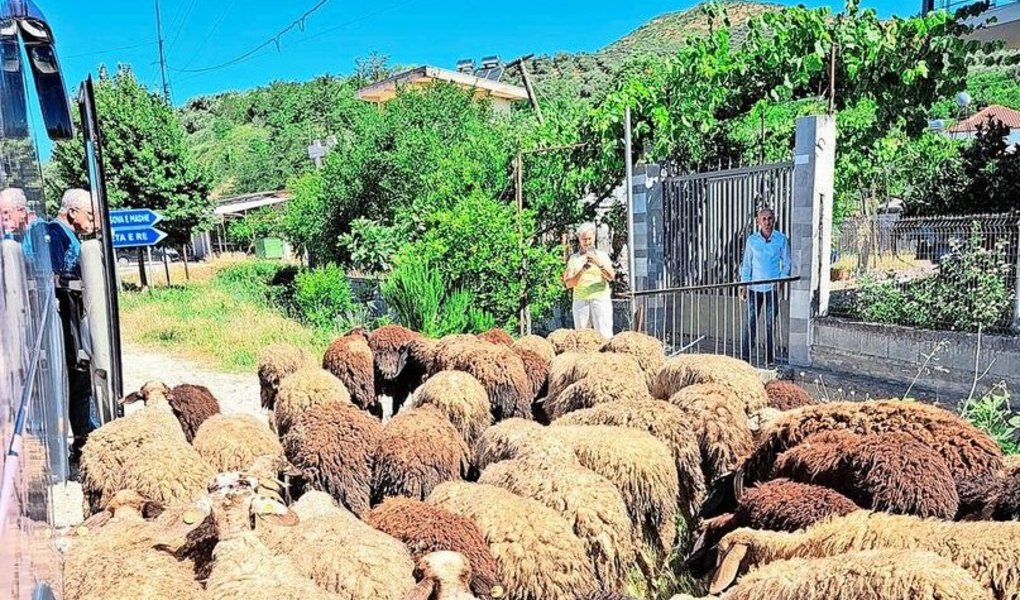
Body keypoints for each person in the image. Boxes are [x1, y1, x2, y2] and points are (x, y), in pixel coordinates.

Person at [49, 188, 101, 463]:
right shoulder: (53, 235)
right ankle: (85, 437)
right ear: (72, 212)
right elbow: (55, 279)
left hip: (75, 319)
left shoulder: (72, 237)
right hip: (66, 322)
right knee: (78, 378)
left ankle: (86, 434)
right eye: (90, 215)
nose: (94, 222)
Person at [738, 207, 791, 365]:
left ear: (774, 220)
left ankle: (769, 359)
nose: (767, 222)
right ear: (758, 222)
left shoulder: (781, 239)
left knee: (769, 324)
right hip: (754, 289)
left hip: (771, 290)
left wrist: (780, 281)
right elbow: (747, 265)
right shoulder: (752, 240)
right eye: (764, 219)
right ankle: (745, 359)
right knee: (750, 323)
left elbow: (787, 263)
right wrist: (744, 285)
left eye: (770, 219)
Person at [562, 222, 615, 340]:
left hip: (600, 299)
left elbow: (611, 277)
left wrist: (597, 262)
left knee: (604, 335)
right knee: (582, 337)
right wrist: (582, 270)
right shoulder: (574, 259)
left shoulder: (602, 256)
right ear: (579, 240)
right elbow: (569, 283)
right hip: (581, 301)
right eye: (584, 239)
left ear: (594, 238)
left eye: (589, 239)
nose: (587, 242)